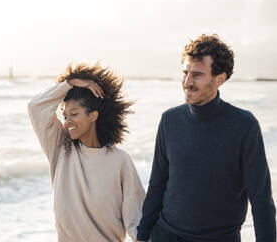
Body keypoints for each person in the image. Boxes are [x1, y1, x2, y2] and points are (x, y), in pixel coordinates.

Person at [137, 34, 276, 242]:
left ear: (220, 79)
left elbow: (261, 198)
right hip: (166, 235)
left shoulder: (244, 126)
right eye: (185, 72)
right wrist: (142, 236)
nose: (187, 82)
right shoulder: (170, 120)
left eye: (197, 75)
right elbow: (157, 184)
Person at [28, 63, 145, 242]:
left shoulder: (120, 161)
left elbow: (137, 221)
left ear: (93, 115)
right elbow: (36, 107)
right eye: (65, 116)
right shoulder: (61, 149)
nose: (67, 121)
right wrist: (69, 84)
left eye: (74, 114)